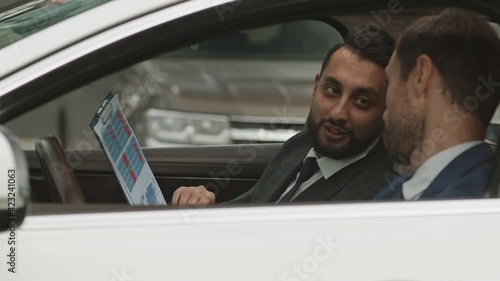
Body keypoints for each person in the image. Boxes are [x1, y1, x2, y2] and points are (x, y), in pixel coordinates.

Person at [172, 27, 396, 206]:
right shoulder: (300, 146)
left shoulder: (375, 198)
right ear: (316, 86)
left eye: (362, 102)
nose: (338, 113)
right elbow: (248, 212)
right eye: (332, 90)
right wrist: (203, 205)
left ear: (386, 111)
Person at [375, 8, 500, 200]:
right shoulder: (411, 186)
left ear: (420, 76)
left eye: (390, 82)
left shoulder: (461, 203)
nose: (384, 112)